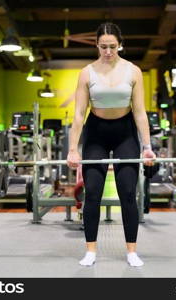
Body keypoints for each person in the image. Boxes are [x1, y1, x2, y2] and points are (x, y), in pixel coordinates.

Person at [67, 22, 156, 267]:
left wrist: (147, 145)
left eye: (113, 46)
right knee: (93, 193)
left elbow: (139, 113)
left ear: (120, 45)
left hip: (125, 132)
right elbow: (78, 114)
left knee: (128, 193)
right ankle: (91, 251)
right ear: (96, 45)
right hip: (96, 132)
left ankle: (131, 251)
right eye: (103, 46)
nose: (108, 51)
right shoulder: (86, 72)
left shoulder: (133, 71)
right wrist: (73, 149)